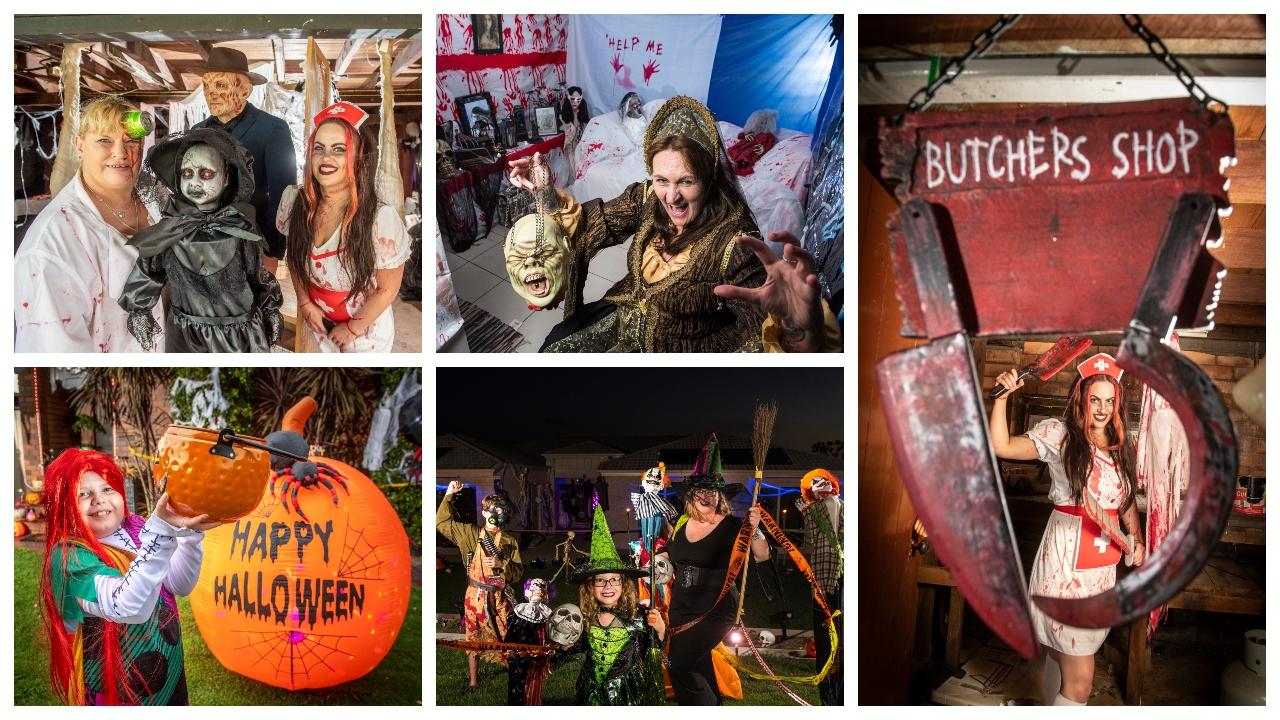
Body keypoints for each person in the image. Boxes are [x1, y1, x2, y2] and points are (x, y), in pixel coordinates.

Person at [508, 95, 834, 352]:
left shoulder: (736, 241)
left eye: (686, 181)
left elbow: (753, 331)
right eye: (662, 179)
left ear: (709, 178)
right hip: (621, 315)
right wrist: (547, 197)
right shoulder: (650, 197)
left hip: (676, 349)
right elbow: (598, 222)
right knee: (556, 346)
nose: (671, 197)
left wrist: (801, 328)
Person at [990, 352, 1146, 706]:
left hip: (1102, 567)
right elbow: (1003, 446)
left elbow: (1124, 502)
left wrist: (1136, 539)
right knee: (1080, 683)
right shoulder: (1060, 435)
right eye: (1095, 399)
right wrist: (1002, 399)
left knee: (1062, 657)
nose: (1103, 408)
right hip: (1065, 564)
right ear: (1081, 398)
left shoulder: (1121, 447)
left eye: (1110, 400)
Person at [38, 448, 221, 704]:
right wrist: (162, 532)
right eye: (83, 494)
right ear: (63, 505)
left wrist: (189, 535)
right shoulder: (68, 558)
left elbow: (178, 584)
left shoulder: (136, 529)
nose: (99, 499)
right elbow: (128, 607)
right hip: (115, 690)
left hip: (166, 676)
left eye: (107, 489)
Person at [15, 96, 163, 352]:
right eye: (105, 140)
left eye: (131, 141)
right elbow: (53, 348)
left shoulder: (158, 202)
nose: (121, 152)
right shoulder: (52, 246)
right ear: (80, 145)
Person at [117, 127, 283, 352]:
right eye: (187, 173)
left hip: (239, 336)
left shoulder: (240, 228)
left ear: (226, 178)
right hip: (185, 337)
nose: (194, 182)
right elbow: (148, 270)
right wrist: (138, 309)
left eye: (206, 174)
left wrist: (271, 308)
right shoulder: (171, 229)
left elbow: (258, 276)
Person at [278, 101, 411, 352]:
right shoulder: (294, 202)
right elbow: (295, 260)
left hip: (365, 335)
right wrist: (306, 304)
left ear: (358, 157)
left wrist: (351, 329)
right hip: (318, 322)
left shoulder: (379, 219)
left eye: (339, 149)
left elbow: (387, 288)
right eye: (319, 148)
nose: (326, 157)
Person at [660, 434, 770, 705]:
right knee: (698, 664)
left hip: (715, 609)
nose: (705, 496)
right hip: (681, 607)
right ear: (691, 495)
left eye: (712, 491)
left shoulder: (733, 526)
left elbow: (763, 555)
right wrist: (658, 559)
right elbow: (672, 556)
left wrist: (754, 530)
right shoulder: (682, 523)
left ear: (720, 496)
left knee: (680, 665)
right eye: (700, 490)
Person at [192, 46, 295, 270]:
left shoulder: (272, 129)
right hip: (204, 245)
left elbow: (283, 195)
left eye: (220, 85)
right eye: (206, 85)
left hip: (254, 244)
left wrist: (271, 250)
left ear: (244, 91)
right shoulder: (197, 131)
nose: (211, 93)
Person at [558, 496, 665, 705]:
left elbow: (654, 653)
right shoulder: (585, 619)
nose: (608, 587)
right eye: (600, 581)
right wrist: (564, 646)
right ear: (590, 586)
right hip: (591, 692)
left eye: (614, 580)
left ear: (623, 584)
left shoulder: (639, 617)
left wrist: (660, 631)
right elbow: (572, 649)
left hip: (628, 692)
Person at [436, 480, 523, 689]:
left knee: (506, 633)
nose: (498, 514)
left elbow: (518, 573)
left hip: (499, 596)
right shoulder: (470, 534)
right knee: (473, 636)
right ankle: (474, 681)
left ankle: (514, 673)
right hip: (475, 596)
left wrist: (502, 565)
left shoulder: (510, 541)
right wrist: (449, 495)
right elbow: (441, 522)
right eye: (495, 509)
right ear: (485, 513)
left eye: (501, 509)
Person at [796, 468, 844, 705]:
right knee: (832, 635)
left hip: (829, 577)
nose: (820, 485)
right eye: (815, 483)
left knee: (829, 635)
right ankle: (832, 694)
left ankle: (832, 695)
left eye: (823, 482)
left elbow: (809, 543)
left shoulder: (818, 509)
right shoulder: (836, 507)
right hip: (832, 575)